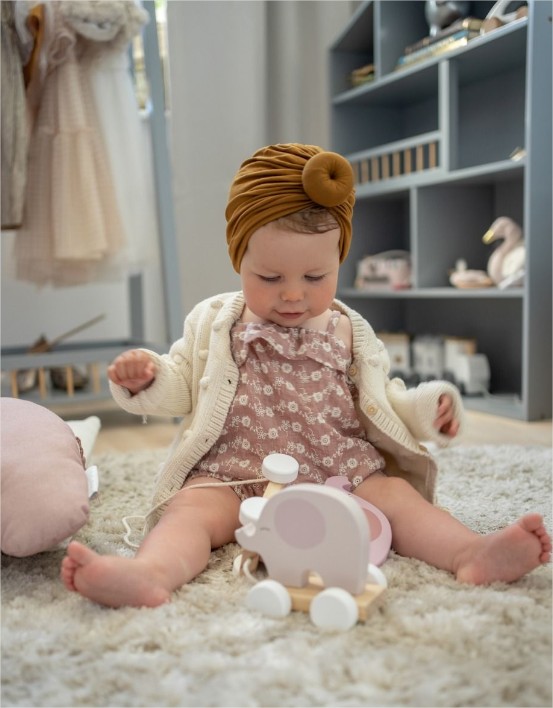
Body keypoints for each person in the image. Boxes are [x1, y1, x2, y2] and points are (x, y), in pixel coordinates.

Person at [61, 144, 551, 608]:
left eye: (315, 277)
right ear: (239, 259)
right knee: (188, 512)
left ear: (338, 260)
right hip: (236, 475)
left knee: (399, 500)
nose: (293, 294)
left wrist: (430, 411)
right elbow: (181, 385)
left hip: (340, 470)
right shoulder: (216, 323)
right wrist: (145, 380)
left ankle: (470, 552)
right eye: (270, 278)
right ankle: (151, 573)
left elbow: (387, 401)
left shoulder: (349, 329)